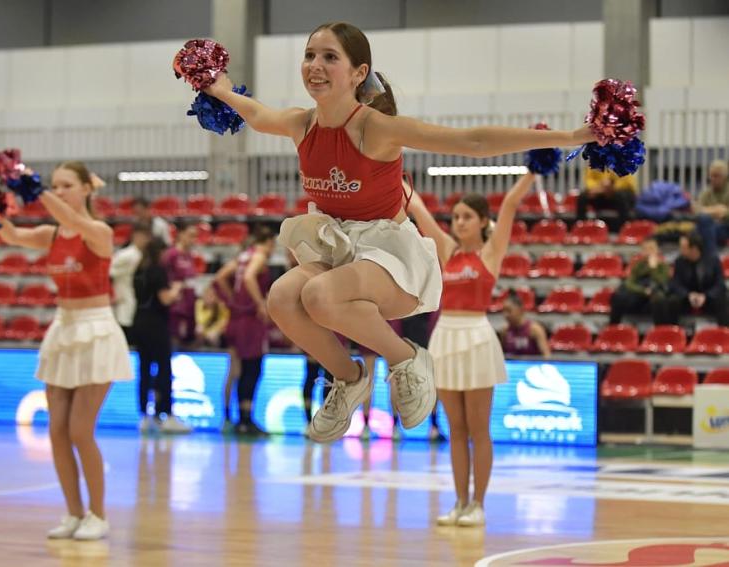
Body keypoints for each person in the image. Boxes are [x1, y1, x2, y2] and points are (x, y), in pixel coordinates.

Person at [201, 21, 595, 444]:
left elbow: (473, 141)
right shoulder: (303, 125)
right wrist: (219, 88)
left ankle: (407, 358)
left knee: (318, 295)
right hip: (338, 248)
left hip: (390, 255)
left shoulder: (376, 128)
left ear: (358, 72)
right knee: (281, 296)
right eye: (310, 55)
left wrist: (569, 136)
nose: (315, 65)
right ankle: (350, 378)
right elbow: (258, 115)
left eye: (330, 57)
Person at [0, 161, 132, 540]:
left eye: (67, 185)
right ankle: (73, 514)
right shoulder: (50, 234)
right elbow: (13, 237)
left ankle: (98, 515)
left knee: (80, 430)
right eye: (55, 185)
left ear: (88, 188)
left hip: (96, 331)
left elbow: (69, 215)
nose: (61, 191)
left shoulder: (98, 232)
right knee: (56, 431)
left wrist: (38, 192)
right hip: (63, 328)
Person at [407, 172, 536, 527]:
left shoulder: (491, 253)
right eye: (456, 217)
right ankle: (460, 502)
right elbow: (416, 206)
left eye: (467, 217)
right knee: (456, 429)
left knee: (479, 429)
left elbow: (510, 204)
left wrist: (535, 169)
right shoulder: (447, 250)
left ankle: (478, 504)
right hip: (446, 336)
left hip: (476, 337)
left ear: (482, 222)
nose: (459, 222)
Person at [214, 227, 277, 435]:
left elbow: (220, 277)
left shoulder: (243, 256)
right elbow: (250, 277)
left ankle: (230, 418)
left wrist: (234, 299)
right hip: (249, 321)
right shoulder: (258, 256)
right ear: (268, 242)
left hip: (235, 318)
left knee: (235, 370)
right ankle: (245, 420)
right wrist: (260, 303)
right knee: (252, 368)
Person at [133, 237, 192, 435]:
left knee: (144, 370)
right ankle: (165, 413)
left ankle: (144, 415)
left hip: (139, 322)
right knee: (164, 369)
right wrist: (176, 289)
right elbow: (165, 298)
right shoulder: (158, 271)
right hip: (156, 324)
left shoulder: (138, 270)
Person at [654, 232, 729, 326]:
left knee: (723, 300)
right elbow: (675, 283)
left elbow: (720, 284)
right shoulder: (679, 261)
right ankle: (671, 332)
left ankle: (725, 334)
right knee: (671, 300)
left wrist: (706, 296)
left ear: (694, 249)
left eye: (683, 247)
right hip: (687, 299)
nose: (680, 250)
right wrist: (688, 295)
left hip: (708, 298)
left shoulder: (713, 260)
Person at [608, 237, 671, 325]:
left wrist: (653, 268)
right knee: (618, 297)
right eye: (646, 249)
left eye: (651, 248)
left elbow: (662, 282)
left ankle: (660, 332)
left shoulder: (663, 266)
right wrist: (643, 291)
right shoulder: (639, 265)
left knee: (658, 300)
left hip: (653, 298)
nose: (649, 252)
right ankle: (612, 328)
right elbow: (629, 283)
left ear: (657, 250)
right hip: (639, 295)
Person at [109, 223, 152, 343]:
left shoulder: (140, 254)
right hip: (123, 297)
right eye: (144, 236)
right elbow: (108, 270)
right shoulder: (127, 254)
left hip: (134, 298)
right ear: (136, 236)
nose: (146, 240)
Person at [163, 222, 201, 344]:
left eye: (195, 236)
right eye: (191, 235)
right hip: (176, 307)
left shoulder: (189, 255)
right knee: (175, 339)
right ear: (181, 234)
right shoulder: (171, 255)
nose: (193, 239)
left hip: (189, 304)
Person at [500, 290, 551, 358]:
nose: (506, 315)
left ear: (520, 310)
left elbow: (546, 355)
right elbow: (501, 355)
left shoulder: (535, 329)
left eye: (509, 311)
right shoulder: (505, 331)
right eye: (504, 311)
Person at [694, 159, 729, 256]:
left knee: (708, 228)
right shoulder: (706, 193)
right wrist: (717, 210)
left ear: (725, 177)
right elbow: (697, 211)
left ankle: (710, 258)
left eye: (716, 176)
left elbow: (726, 214)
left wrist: (707, 211)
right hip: (710, 226)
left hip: (725, 227)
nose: (712, 178)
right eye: (711, 175)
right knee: (700, 227)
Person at [194, 284, 231, 348]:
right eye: (207, 295)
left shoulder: (221, 305)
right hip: (206, 329)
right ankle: (200, 349)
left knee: (213, 336)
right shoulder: (199, 303)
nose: (209, 298)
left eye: (211, 296)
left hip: (218, 330)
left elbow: (224, 321)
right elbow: (199, 320)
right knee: (198, 330)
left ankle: (216, 352)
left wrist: (214, 330)